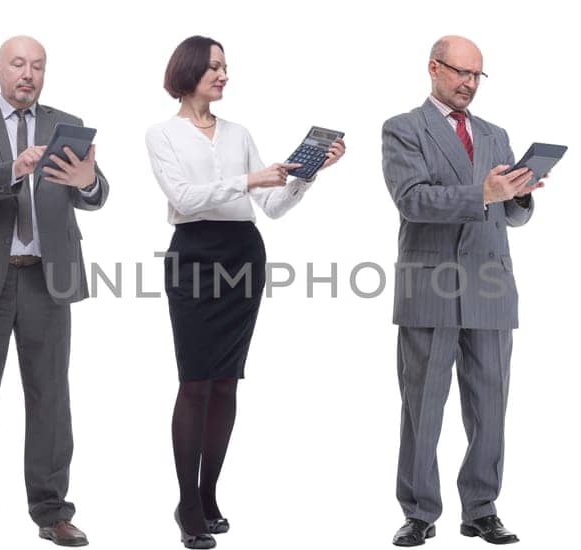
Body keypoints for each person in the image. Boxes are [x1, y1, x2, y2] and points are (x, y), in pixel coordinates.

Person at [145, 35, 344, 550]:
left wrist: (307, 175)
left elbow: (273, 206)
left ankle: (209, 493)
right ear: (189, 71)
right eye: (215, 66)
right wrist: (248, 179)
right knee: (194, 381)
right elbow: (183, 199)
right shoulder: (162, 134)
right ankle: (185, 502)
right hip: (193, 255)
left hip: (242, 253)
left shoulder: (239, 132)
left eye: (225, 67)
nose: (224, 75)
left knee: (227, 381)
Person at [0, 35, 108, 549]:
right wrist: (15, 168)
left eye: (37, 66)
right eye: (18, 64)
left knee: (51, 398)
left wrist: (87, 181)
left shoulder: (66, 124)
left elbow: (97, 195)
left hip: (46, 278)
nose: (27, 74)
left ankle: (53, 512)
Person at [381, 35, 537, 548]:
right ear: (433, 68)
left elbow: (509, 213)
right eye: (460, 73)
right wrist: (484, 192)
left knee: (491, 406)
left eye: (477, 76)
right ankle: (419, 511)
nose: (469, 84)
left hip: (491, 285)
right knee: (423, 406)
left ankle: (481, 509)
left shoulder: (495, 133)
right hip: (431, 284)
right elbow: (412, 200)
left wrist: (519, 195)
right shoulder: (404, 129)